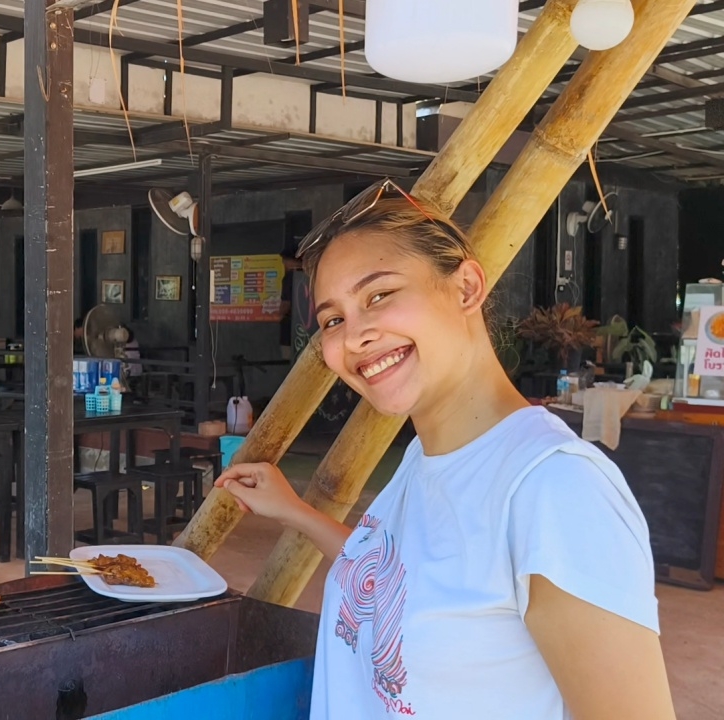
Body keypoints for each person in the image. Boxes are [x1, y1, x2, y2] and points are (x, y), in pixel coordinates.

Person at [215, 179, 673, 719]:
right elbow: (401, 580)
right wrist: (294, 511)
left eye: (379, 295)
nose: (355, 335)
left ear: (465, 287)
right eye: (333, 319)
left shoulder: (554, 491)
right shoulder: (427, 459)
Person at [278, 246, 303, 360]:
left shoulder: (290, 277)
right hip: (307, 324)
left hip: (290, 326)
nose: (284, 264)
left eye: (285, 261)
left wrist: (279, 314)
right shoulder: (310, 274)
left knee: (290, 360)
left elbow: (285, 304)